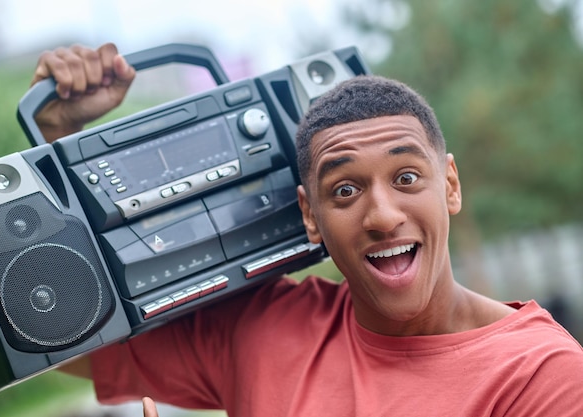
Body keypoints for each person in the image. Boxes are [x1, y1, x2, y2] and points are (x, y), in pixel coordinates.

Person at [30, 43, 583, 417]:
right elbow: (50, 337)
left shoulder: (542, 375)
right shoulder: (261, 329)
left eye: (407, 176)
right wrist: (57, 146)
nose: (383, 215)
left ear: (451, 186)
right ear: (310, 215)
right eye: (345, 190)